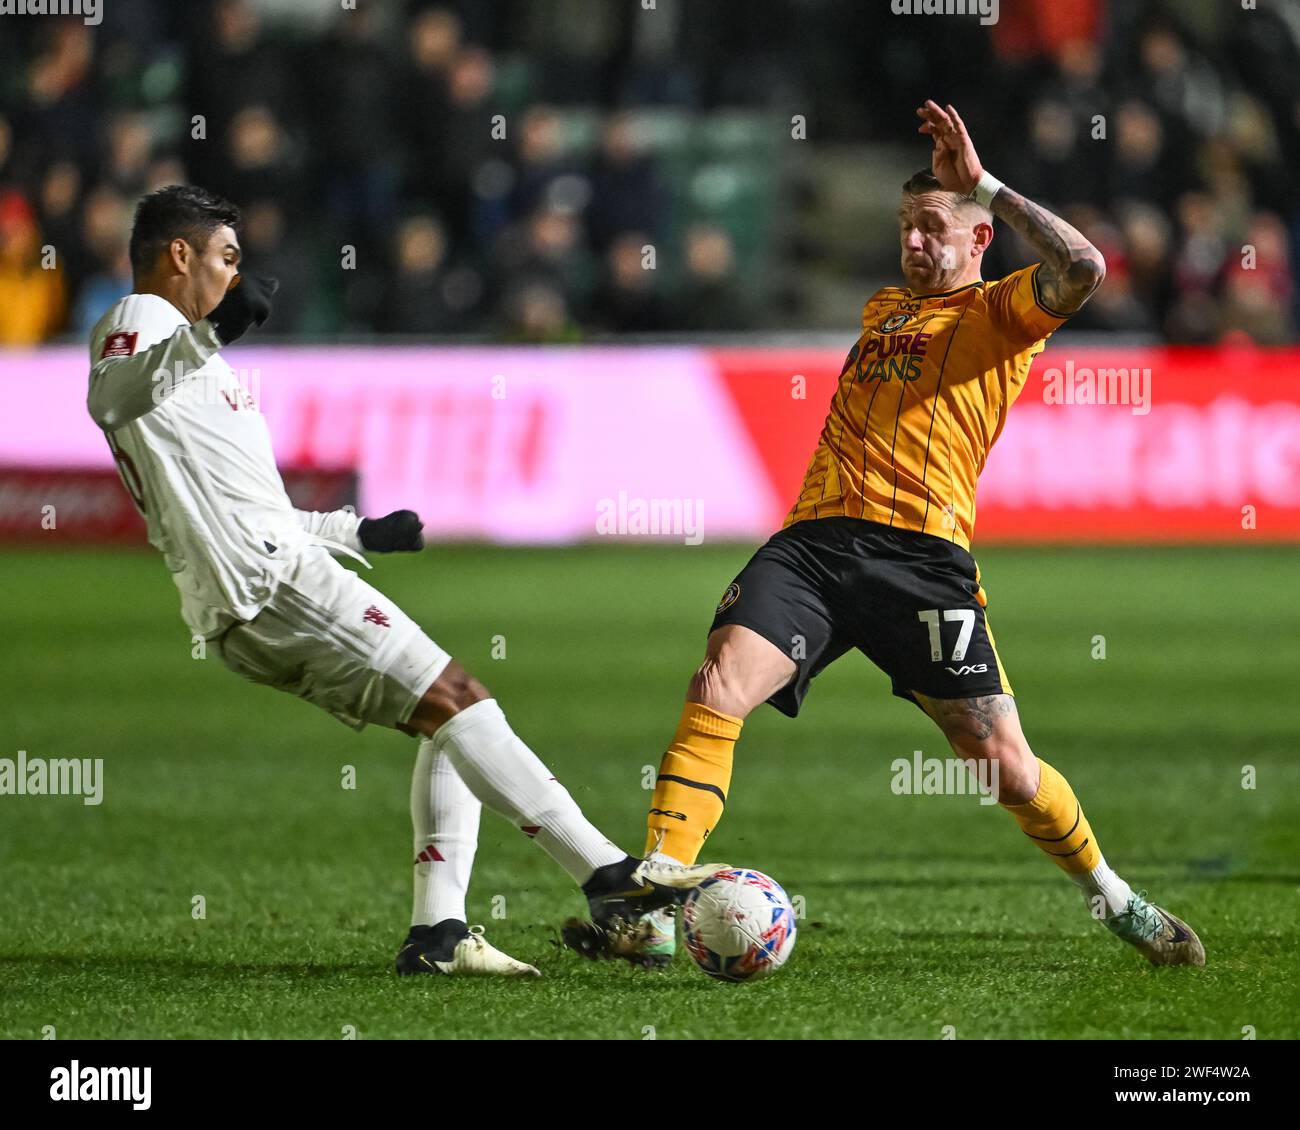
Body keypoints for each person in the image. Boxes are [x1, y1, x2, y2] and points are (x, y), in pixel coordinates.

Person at [566, 102, 1205, 970]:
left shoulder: (1000, 315)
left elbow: (1086, 264)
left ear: (980, 241)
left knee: (1004, 767)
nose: (912, 242)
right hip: (816, 547)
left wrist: (981, 185)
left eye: (933, 225)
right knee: (718, 682)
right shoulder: (882, 309)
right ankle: (654, 902)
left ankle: (1116, 899)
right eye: (906, 225)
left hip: (922, 564)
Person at [86, 185, 723, 977]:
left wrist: (358, 531)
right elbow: (111, 400)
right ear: (178, 255)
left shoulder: (191, 362)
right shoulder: (141, 323)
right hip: (269, 585)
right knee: (462, 701)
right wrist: (211, 331)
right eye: (225, 257)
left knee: (447, 719)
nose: (235, 273)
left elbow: (254, 507)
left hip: (261, 581)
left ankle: (439, 935)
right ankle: (607, 875)